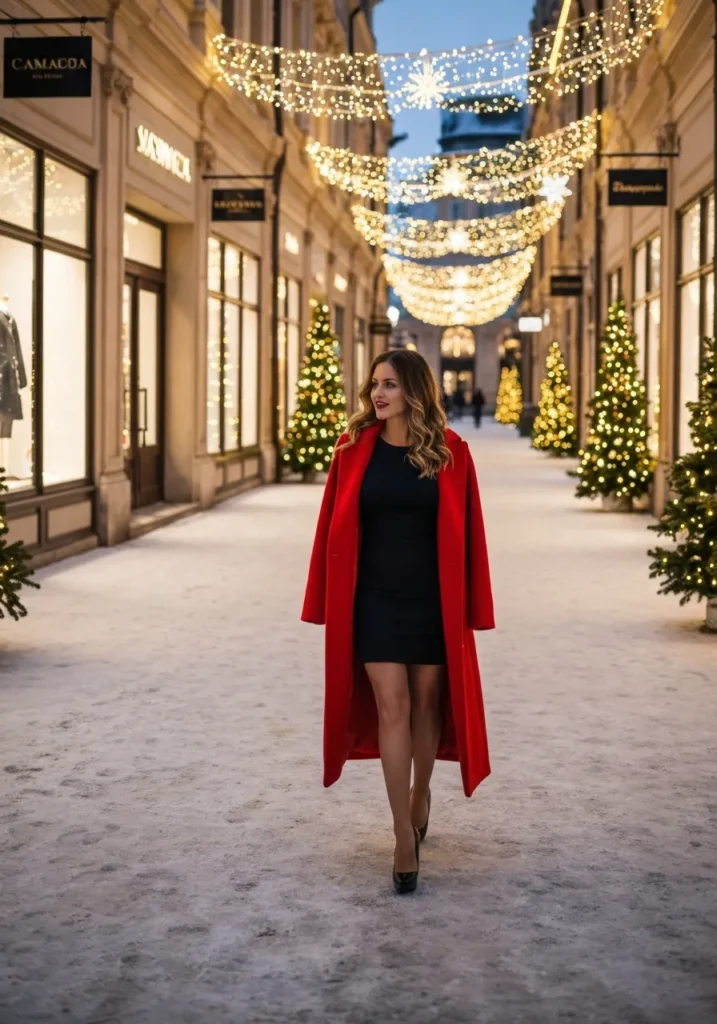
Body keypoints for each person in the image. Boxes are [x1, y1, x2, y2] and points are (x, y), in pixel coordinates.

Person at [301, 350, 495, 895]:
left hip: (433, 601)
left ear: (413, 390)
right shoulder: (352, 450)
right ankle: (401, 835)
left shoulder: (451, 452)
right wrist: (323, 597)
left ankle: (420, 794)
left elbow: (471, 533)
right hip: (374, 600)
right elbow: (330, 528)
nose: (377, 394)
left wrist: (475, 605)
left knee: (428, 705)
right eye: (374, 384)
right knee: (393, 706)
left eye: (389, 384)